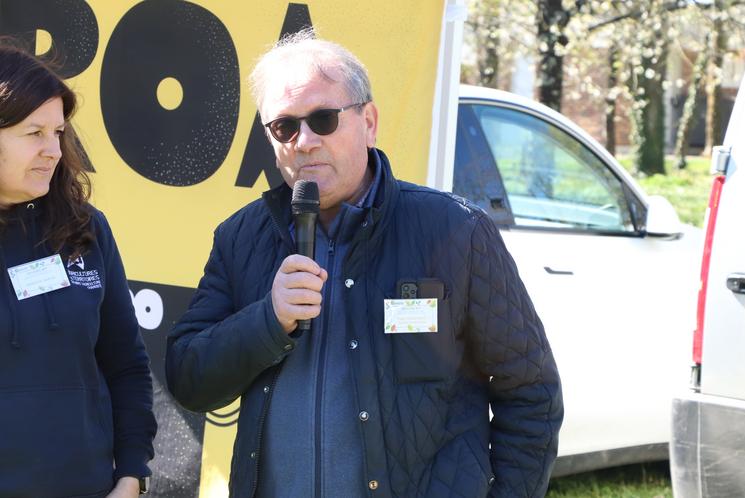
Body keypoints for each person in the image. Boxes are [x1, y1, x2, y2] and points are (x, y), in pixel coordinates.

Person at [167, 29, 562, 498]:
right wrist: (267, 321)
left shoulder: (457, 230)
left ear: (369, 121)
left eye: (324, 119)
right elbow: (188, 379)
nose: (305, 141)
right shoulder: (241, 238)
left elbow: (531, 394)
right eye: (285, 127)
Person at [0, 42, 156, 498]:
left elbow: (126, 364)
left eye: (58, 132)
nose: (53, 150)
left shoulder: (85, 229)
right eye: (34, 134)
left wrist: (131, 475)